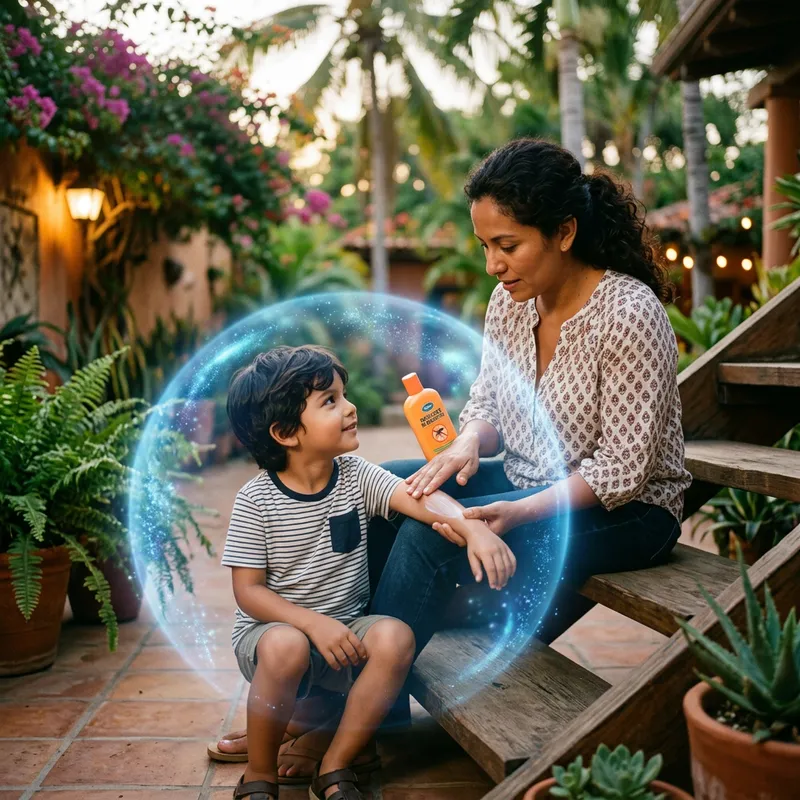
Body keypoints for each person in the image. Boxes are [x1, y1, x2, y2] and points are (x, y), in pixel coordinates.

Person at [214, 136, 693, 766]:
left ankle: (362, 726)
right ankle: (349, 703)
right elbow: (491, 405)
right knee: (396, 491)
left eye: (508, 244)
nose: (494, 263)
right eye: (486, 246)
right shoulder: (510, 302)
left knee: (434, 534)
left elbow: (625, 471)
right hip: (525, 478)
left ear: (565, 231)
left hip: (627, 512)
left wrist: (513, 513)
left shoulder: (628, 313)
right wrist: (466, 444)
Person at [220, 345, 515, 800]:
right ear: (284, 432)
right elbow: (248, 593)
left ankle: (337, 762)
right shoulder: (256, 501)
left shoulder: (356, 475)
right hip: (275, 636)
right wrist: (311, 623)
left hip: (347, 635)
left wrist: (471, 530)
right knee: (286, 645)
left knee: (395, 637)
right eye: (330, 401)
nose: (350, 407)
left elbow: (418, 496)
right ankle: (260, 775)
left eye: (344, 395)